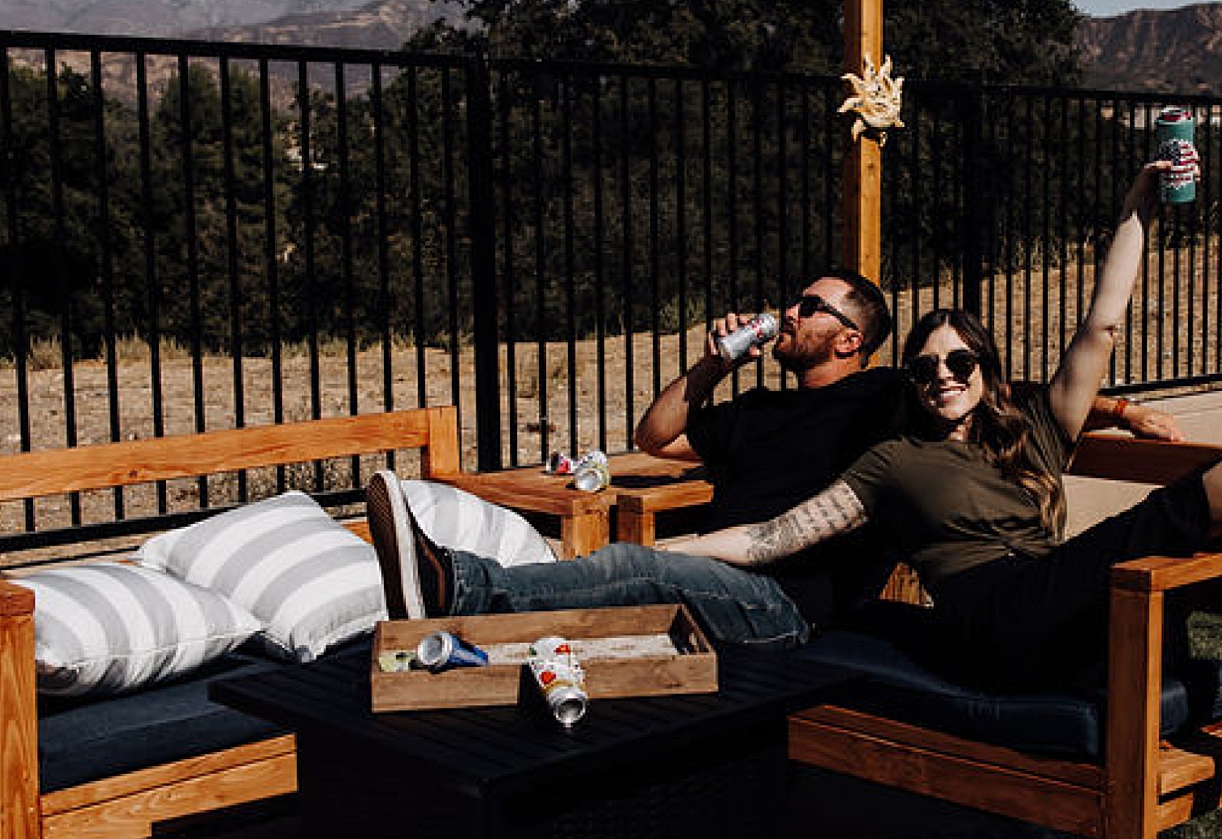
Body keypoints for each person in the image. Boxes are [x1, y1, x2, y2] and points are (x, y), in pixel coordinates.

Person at [657, 185, 1222, 699]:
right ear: (910, 379)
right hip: (995, 629)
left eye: (961, 360)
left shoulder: (1034, 429)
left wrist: (1140, 205)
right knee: (1186, 504)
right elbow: (769, 537)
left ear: (987, 372)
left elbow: (1101, 322)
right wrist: (669, 557)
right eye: (927, 364)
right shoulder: (892, 459)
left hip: (1069, 620)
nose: (944, 374)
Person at [366, 266, 903, 650]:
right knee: (625, 570)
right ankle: (454, 602)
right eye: (795, 300)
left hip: (784, 603)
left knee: (630, 565)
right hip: (715, 573)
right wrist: (713, 365)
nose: (789, 312)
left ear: (849, 340)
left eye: (810, 307)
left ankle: (457, 588)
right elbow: (656, 438)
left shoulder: (879, 398)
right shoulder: (760, 408)